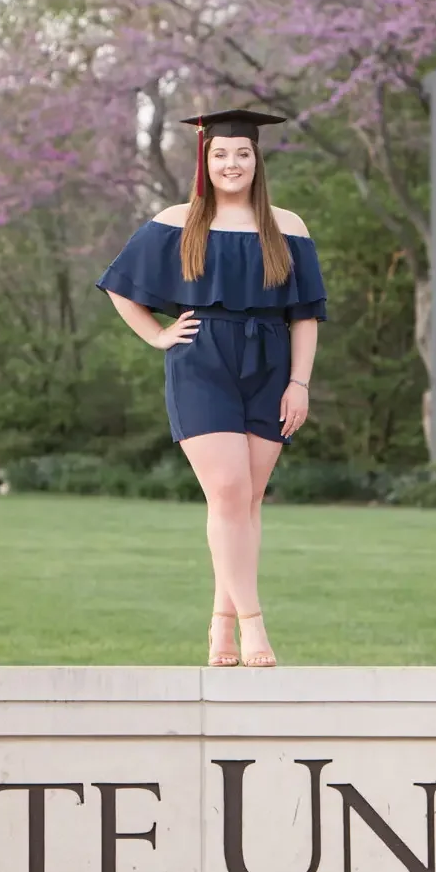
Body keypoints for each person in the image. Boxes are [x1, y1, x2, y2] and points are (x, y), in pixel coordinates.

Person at [97, 109, 325, 668]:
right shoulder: (177, 221)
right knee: (226, 492)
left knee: (247, 500)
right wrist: (158, 335)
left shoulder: (287, 227)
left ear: (256, 160)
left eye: (242, 154)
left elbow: (305, 316)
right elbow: (120, 287)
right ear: (205, 158)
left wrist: (299, 383)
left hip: (270, 365)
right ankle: (253, 626)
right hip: (201, 360)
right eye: (221, 153)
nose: (232, 163)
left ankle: (220, 628)